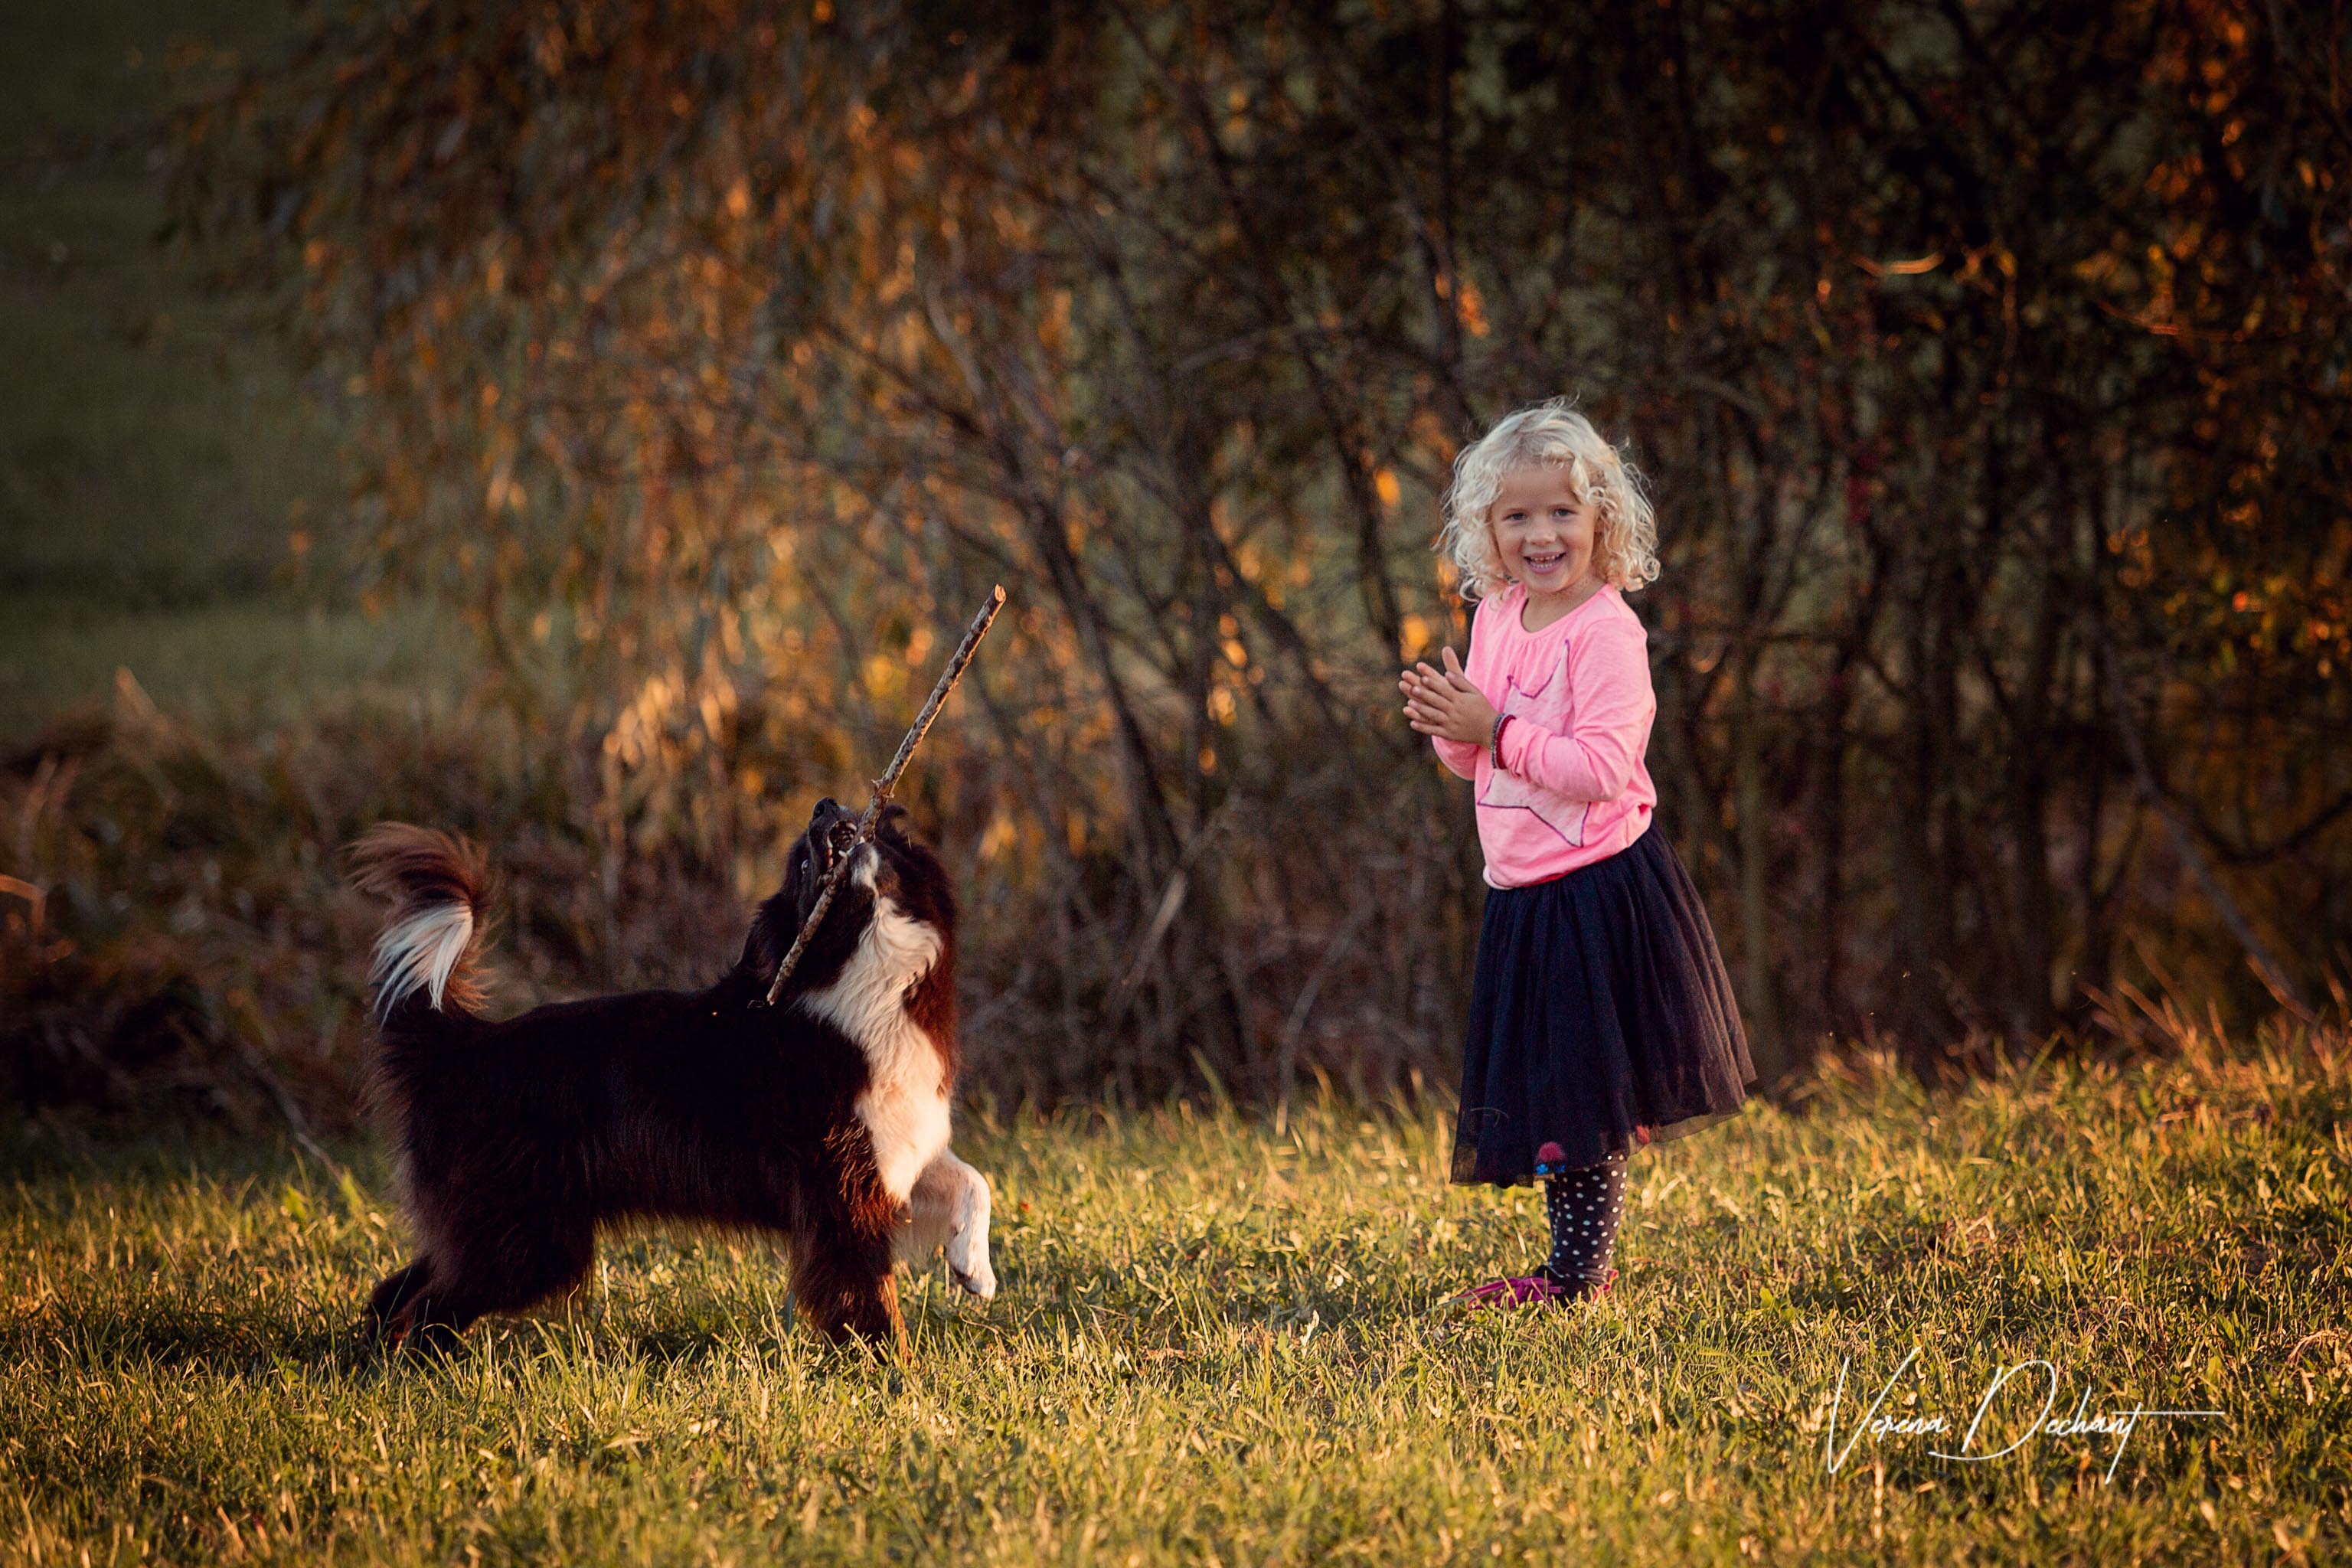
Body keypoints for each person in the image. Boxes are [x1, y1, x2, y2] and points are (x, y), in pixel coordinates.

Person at [1400, 397, 1756, 1308]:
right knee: (1552, 1091)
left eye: (1563, 510)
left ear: (1604, 519)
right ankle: (1569, 1268)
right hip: (1522, 891)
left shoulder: (1607, 633)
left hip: (1599, 894)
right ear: (1489, 528)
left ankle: (1574, 1277)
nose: (1541, 533)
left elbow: (1601, 766)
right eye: (1517, 515)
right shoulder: (1499, 614)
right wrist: (1452, 726)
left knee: (1584, 1098)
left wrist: (1497, 728)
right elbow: (1480, 751)